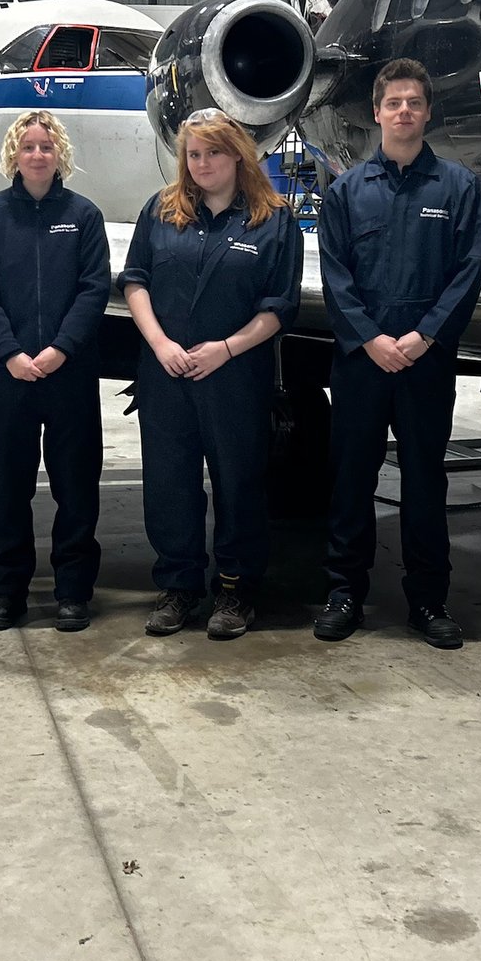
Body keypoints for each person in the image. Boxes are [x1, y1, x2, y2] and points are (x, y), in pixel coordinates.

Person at [315, 58, 481, 649]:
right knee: (351, 481)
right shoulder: (346, 192)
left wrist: (425, 335)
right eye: (394, 103)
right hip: (363, 363)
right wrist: (370, 338)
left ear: (428, 111)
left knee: (423, 482)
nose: (404, 112)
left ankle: (429, 601)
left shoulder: (459, 187)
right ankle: (344, 594)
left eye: (414, 102)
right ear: (377, 112)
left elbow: (468, 271)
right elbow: (334, 275)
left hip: (426, 362)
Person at [120, 111, 302, 640]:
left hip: (235, 375)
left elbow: (280, 306)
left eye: (213, 153)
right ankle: (178, 586)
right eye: (194, 155)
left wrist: (227, 348)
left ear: (238, 154)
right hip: (167, 374)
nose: (202, 164)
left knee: (238, 483)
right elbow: (135, 282)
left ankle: (235, 590)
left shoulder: (273, 219)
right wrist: (160, 345)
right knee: (169, 484)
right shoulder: (161, 210)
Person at [0, 109, 111, 632]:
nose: (37, 154)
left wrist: (61, 350)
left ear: (60, 154)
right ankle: (8, 592)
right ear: (13, 154)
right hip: (8, 376)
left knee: (76, 488)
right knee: (8, 490)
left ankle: (73, 591)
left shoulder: (85, 216)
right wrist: (10, 353)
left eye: (46, 147)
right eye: (27, 146)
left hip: (68, 375)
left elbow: (95, 289)